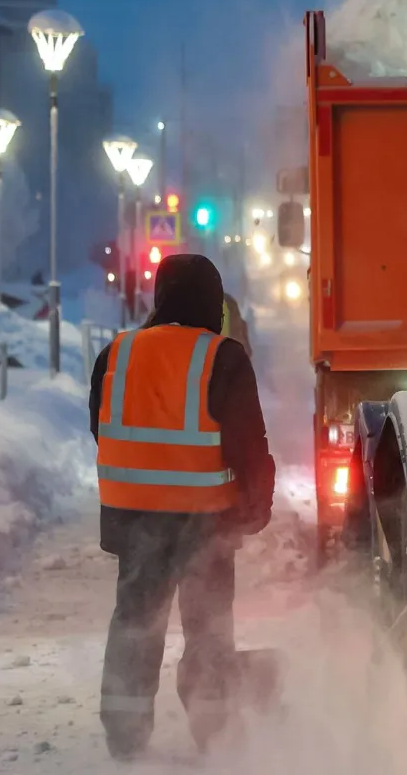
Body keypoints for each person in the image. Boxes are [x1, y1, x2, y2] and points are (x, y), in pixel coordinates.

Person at [90, 254, 275, 760]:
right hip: (204, 522)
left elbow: (100, 429)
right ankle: (213, 729)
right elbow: (248, 446)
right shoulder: (224, 357)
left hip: (134, 519)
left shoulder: (116, 354)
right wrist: (255, 507)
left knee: (135, 619)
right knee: (209, 625)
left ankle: (125, 736)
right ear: (211, 303)